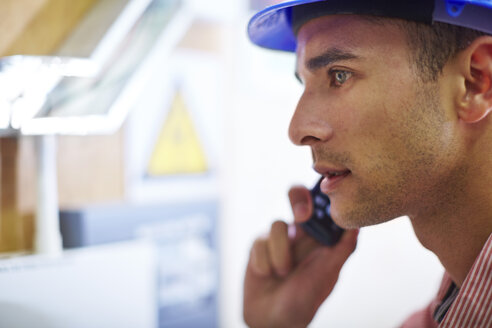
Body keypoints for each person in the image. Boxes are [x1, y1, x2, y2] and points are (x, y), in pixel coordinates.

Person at [244, 1, 492, 327]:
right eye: (304, 83)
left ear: (475, 82)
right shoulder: (452, 310)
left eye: (339, 75)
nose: (298, 130)